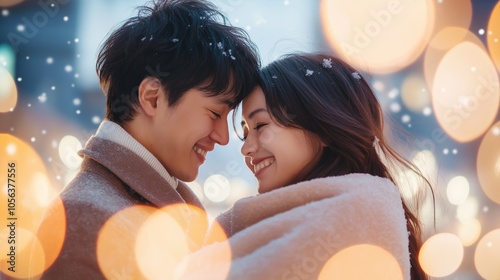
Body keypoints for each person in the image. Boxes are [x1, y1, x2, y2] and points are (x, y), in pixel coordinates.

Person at [30, 0, 259, 278]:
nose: (223, 137)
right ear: (152, 98)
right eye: (214, 113)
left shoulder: (122, 206)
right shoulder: (88, 221)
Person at [191, 53, 432, 280]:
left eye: (261, 126)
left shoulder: (353, 219)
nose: (246, 148)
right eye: (244, 134)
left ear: (324, 129)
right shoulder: (344, 212)